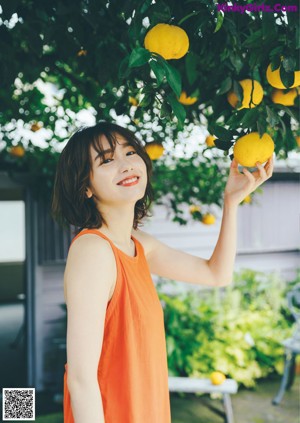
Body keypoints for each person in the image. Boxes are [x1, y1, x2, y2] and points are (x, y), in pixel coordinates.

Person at [51, 121, 273, 423]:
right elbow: (80, 379)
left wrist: (231, 202)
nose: (126, 164)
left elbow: (216, 274)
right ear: (85, 186)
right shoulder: (93, 251)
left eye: (130, 152)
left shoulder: (138, 243)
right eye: (106, 159)